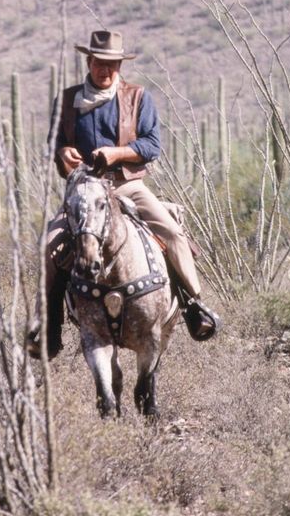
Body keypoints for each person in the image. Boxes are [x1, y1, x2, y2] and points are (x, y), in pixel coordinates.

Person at [28, 30, 220, 359]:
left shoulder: (137, 97)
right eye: (100, 63)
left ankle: (194, 306)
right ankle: (49, 325)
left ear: (119, 64)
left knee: (173, 234)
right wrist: (63, 153)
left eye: (113, 64)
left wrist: (117, 154)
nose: (106, 70)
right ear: (89, 62)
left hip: (127, 185)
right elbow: (53, 143)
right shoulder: (69, 100)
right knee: (50, 244)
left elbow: (151, 145)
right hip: (85, 190)